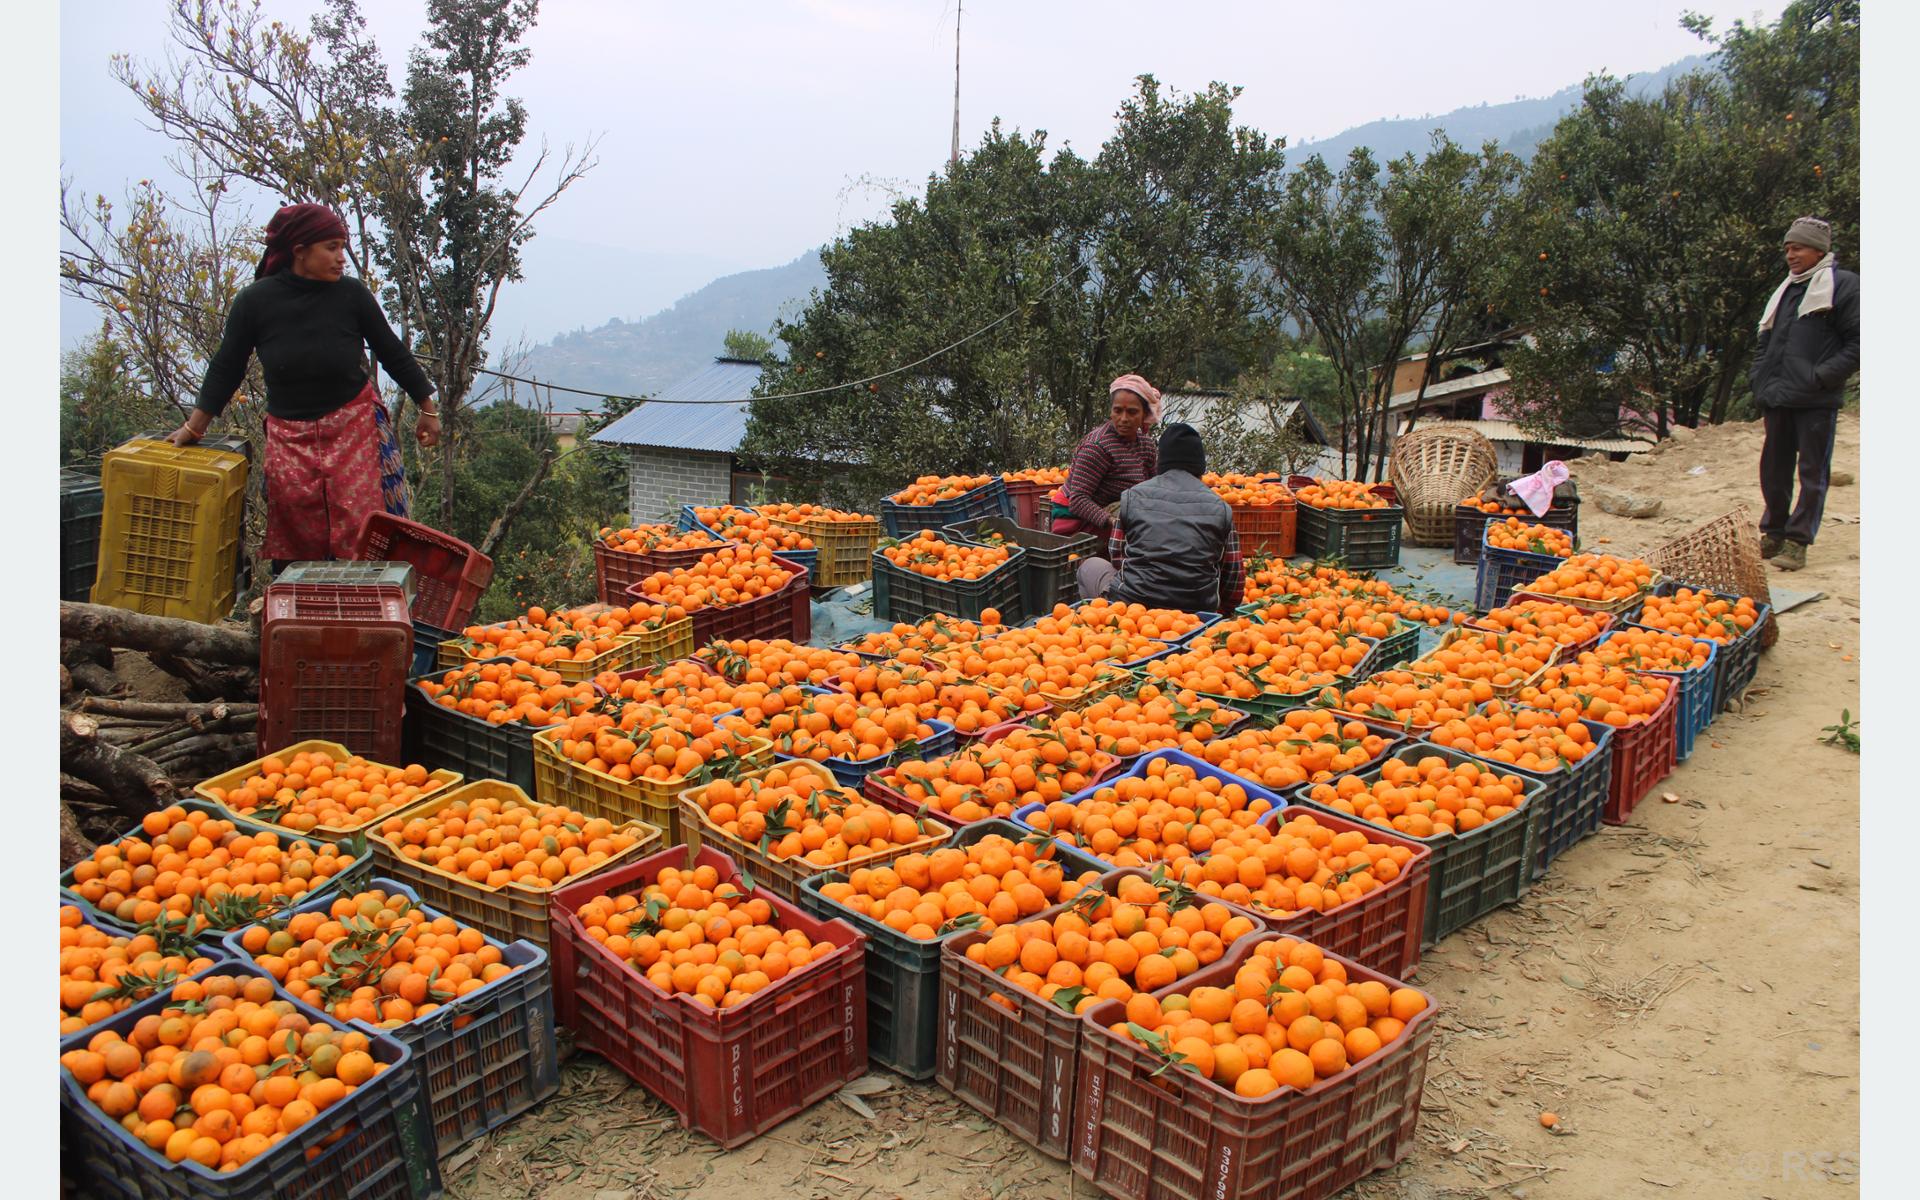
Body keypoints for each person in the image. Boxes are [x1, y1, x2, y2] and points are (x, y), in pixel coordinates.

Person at [170, 203, 441, 569]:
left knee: (365, 532)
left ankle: (368, 613)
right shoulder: (256, 302)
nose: (341, 258)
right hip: (289, 436)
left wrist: (427, 408)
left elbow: (392, 352)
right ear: (299, 251)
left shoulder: (351, 295)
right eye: (331, 247)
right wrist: (194, 426)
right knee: (297, 536)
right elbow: (226, 367)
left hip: (353, 429)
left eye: (342, 247)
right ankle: (301, 615)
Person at [1750, 215, 1859, 572]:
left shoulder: (1843, 287)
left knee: (1812, 472)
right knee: (1773, 468)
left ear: (1818, 249)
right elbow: (1766, 338)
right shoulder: (1788, 289)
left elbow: (1859, 343)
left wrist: (1822, 377)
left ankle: (1798, 541)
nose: (1790, 255)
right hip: (1779, 394)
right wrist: (1760, 376)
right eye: (1787, 249)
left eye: (1797, 248)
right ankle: (1774, 531)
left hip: (1815, 398)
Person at [1073, 423, 1244, 614]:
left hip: (1135, 606)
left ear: (1160, 462)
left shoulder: (1133, 496)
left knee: (1089, 566)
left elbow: (1117, 554)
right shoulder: (1220, 508)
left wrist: (1145, 579)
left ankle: (1099, 626)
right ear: (1200, 468)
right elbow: (1233, 574)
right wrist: (1225, 612)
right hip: (1195, 611)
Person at [1049, 374, 1160, 536]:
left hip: (1120, 514)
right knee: (1131, 511)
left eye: (1132, 412)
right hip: (1078, 522)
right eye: (1118, 411)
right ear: (1111, 411)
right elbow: (1078, 500)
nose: (1124, 418)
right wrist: (1113, 522)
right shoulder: (1097, 446)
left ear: (1144, 414)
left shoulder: (1146, 445)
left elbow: (1153, 489)